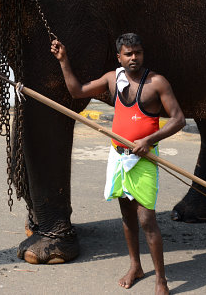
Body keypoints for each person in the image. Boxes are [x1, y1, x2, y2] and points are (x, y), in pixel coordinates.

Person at [51, 33, 185, 295]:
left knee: (146, 219)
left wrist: (149, 139)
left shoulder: (156, 83)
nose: (134, 57)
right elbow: (77, 91)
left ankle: (161, 280)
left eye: (138, 52)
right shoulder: (113, 79)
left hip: (144, 159)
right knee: (126, 215)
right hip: (118, 156)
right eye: (128, 53)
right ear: (119, 57)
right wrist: (64, 60)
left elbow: (178, 119)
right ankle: (135, 266)